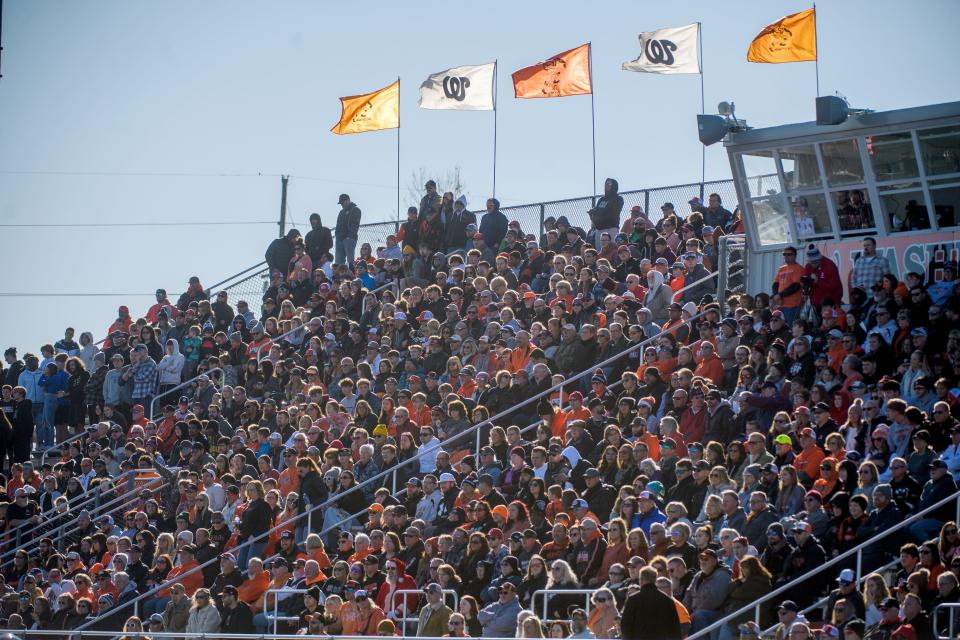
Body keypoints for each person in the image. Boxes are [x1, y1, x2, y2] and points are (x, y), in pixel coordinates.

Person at [620, 566, 682, 640]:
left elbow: (625, 625)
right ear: (655, 580)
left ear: (641, 579)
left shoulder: (633, 600)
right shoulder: (667, 600)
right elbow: (675, 628)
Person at [335, 194, 362, 268]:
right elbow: (338, 225)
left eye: (342, 203)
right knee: (338, 262)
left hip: (349, 239)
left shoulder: (355, 210)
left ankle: (351, 275)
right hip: (339, 239)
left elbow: (355, 224)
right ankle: (339, 277)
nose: (341, 205)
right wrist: (337, 235)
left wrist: (349, 236)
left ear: (347, 201)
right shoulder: (341, 212)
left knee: (350, 260)